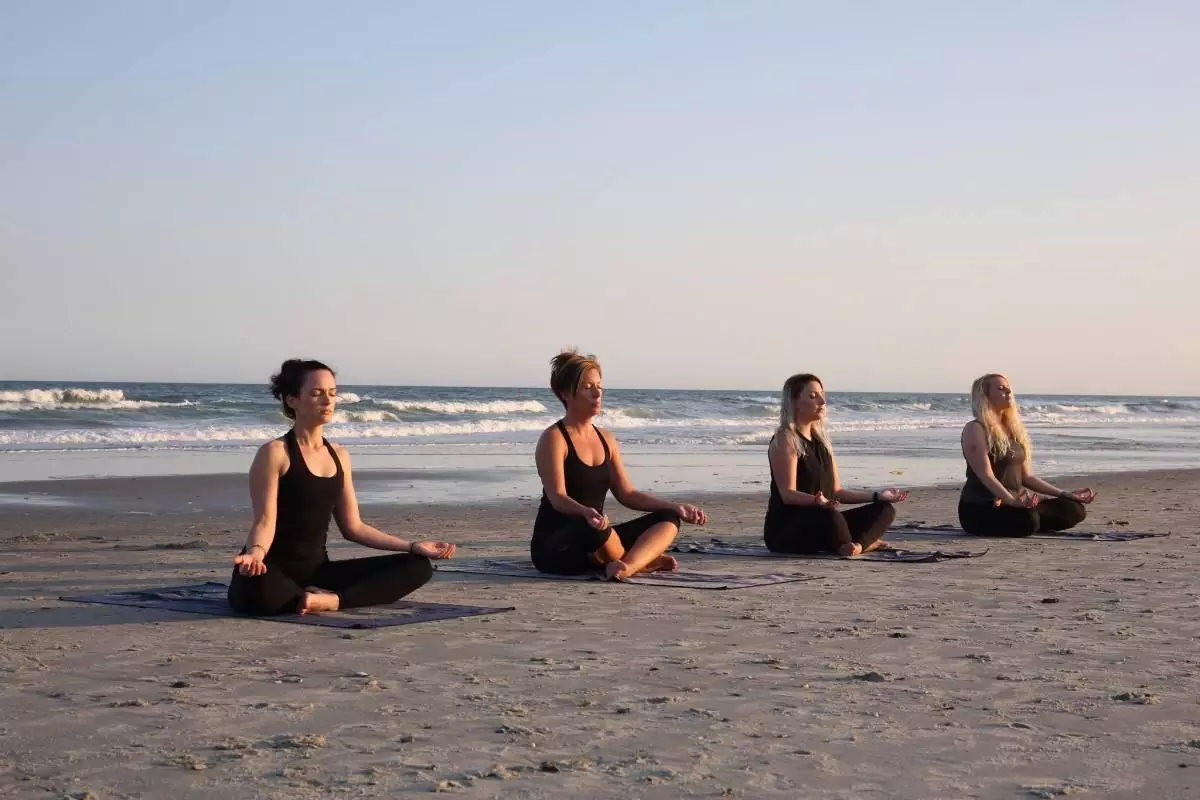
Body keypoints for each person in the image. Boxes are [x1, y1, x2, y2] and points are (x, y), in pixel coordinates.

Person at [227, 359, 456, 615]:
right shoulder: (275, 453)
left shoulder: (339, 455)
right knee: (256, 592)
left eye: (332, 393)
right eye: (316, 394)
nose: (327, 401)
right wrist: (255, 555)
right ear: (292, 400)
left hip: (319, 571)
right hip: (270, 570)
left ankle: (330, 601)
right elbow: (264, 522)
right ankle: (320, 598)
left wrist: (412, 546)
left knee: (418, 567)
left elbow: (353, 527)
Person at [532, 350, 708, 581]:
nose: (597, 393)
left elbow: (627, 494)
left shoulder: (606, 439)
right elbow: (558, 497)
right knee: (591, 527)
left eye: (599, 386)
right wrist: (584, 511)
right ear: (565, 393)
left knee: (667, 518)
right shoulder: (554, 438)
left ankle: (626, 566)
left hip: (601, 536)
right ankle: (642, 561)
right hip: (557, 546)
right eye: (587, 387)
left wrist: (676, 507)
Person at [764, 373, 908, 557]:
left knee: (884, 509)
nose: (822, 402)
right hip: (787, 530)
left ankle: (855, 546)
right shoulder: (786, 439)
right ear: (795, 402)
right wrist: (816, 501)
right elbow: (788, 494)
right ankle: (861, 544)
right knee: (830, 516)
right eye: (813, 396)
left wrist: (877, 495)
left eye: (822, 395)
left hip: (824, 519)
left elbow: (838, 491)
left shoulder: (822, 441)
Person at [958, 373, 1095, 537]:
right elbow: (986, 475)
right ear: (985, 396)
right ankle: (1026, 519)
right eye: (1001, 388)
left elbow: (1027, 477)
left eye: (1009, 388)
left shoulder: (1014, 430)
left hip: (1015, 505)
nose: (1008, 392)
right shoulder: (975, 429)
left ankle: (1027, 518)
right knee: (1028, 519)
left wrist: (1066, 494)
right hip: (981, 507)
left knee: (1073, 508)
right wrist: (1012, 501)